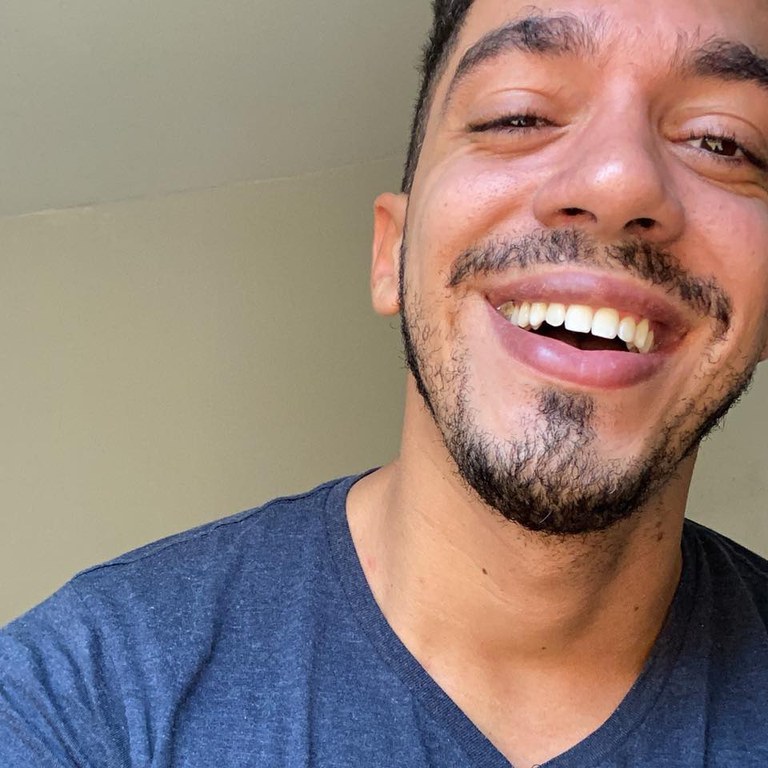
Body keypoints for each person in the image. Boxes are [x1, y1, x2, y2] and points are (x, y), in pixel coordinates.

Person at [3, 0, 768, 765]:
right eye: (519, 116)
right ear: (390, 254)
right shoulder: (75, 700)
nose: (618, 181)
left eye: (721, 141)